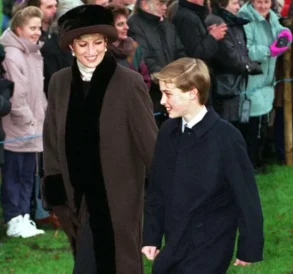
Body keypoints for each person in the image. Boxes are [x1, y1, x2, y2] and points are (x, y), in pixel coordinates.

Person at [41, 4, 157, 274]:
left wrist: (164, 200)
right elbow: (51, 142)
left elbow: (151, 146)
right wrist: (55, 189)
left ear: (107, 43)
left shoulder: (128, 83)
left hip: (118, 200)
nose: (91, 51)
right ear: (72, 47)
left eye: (97, 43)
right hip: (75, 200)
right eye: (83, 44)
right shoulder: (59, 82)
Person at [142, 57, 264, 274]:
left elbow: (246, 196)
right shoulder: (168, 132)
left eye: (168, 94)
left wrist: (249, 246)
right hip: (176, 238)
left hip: (211, 243)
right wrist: (151, 236)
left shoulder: (226, 137)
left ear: (192, 92)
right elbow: (157, 190)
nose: (162, 101)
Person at [0, 6, 47, 238]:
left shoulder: (34, 53)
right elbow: (17, 96)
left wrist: (43, 117)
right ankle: (13, 218)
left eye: (39, 27)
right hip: (18, 128)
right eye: (32, 28)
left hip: (34, 127)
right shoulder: (12, 54)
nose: (37, 32)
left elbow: (38, 92)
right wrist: (29, 121)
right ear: (19, 29)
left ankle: (24, 216)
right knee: (14, 174)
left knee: (29, 174)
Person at [237, 0, 293, 170]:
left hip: (267, 81)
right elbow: (248, 50)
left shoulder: (272, 17)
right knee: (250, 124)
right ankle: (249, 162)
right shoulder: (245, 19)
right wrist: (270, 50)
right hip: (251, 80)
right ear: (252, 2)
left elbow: (280, 31)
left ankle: (258, 159)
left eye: (266, 2)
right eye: (259, 2)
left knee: (262, 122)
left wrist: (285, 34)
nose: (263, 6)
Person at [128, 0, 186, 127]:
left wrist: (182, 76)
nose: (165, 7)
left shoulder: (166, 24)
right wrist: (168, 81)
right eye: (160, 4)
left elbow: (180, 52)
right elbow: (145, 60)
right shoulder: (133, 25)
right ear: (144, 3)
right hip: (153, 95)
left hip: (174, 90)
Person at [205, 0, 262, 124]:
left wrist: (250, 64)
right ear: (222, 4)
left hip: (237, 84)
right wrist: (249, 66)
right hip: (225, 86)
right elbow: (229, 55)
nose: (238, 7)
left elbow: (243, 50)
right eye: (235, 3)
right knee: (226, 125)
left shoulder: (236, 22)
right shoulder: (216, 22)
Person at [274, 0, 293, 163]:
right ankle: (288, 153)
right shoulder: (289, 25)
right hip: (289, 81)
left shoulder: (288, 23)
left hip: (289, 82)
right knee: (289, 121)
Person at [107, 3, 151, 88]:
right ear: (110, 27)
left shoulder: (134, 47)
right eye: (120, 24)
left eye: (126, 23)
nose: (126, 27)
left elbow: (145, 79)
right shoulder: (100, 51)